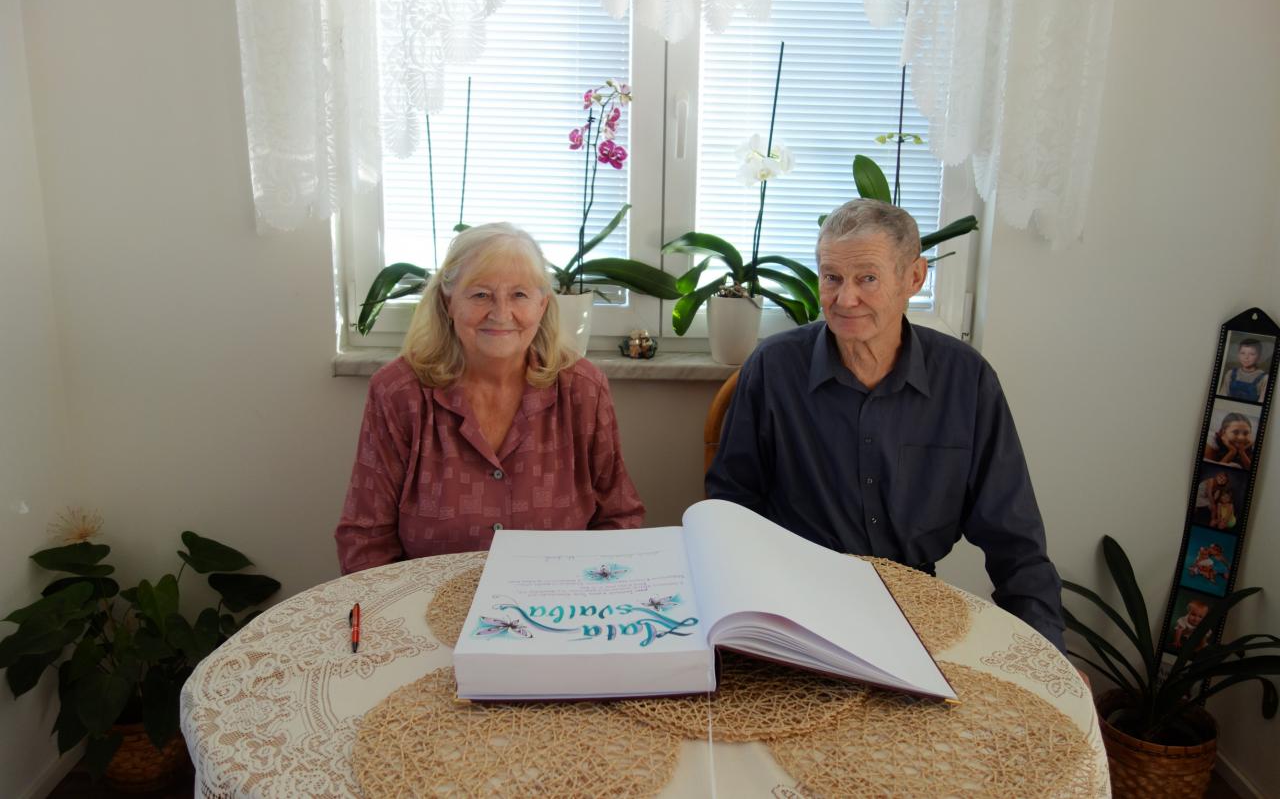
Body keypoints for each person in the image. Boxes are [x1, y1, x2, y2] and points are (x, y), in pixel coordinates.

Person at [706, 199, 1066, 651]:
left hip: (918, 610)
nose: (845, 299)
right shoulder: (773, 369)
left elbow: (1015, 538)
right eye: (832, 277)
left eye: (867, 279)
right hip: (796, 609)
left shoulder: (966, 379)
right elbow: (731, 511)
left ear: (913, 278)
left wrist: (1046, 654)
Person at [335, 223, 644, 573]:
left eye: (519, 295)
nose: (500, 313)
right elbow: (366, 540)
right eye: (480, 295)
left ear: (542, 305)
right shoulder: (398, 394)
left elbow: (619, 517)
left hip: (558, 599)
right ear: (448, 302)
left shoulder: (583, 389)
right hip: (428, 601)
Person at [1218, 338, 1269, 402]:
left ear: (1259, 356)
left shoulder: (1264, 378)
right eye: (1242, 353)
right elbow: (1222, 396)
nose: (1246, 357)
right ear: (1238, 355)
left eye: (1252, 354)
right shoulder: (1230, 374)